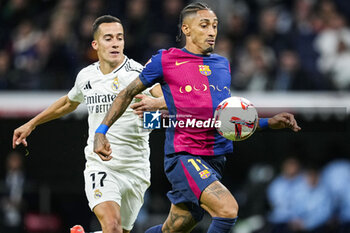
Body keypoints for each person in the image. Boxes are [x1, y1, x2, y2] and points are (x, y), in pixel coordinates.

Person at [94, 3, 301, 233]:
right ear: (186, 29)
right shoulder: (166, 60)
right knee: (228, 209)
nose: (212, 31)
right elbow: (127, 93)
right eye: (204, 25)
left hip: (215, 159)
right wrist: (101, 131)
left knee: (174, 228)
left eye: (214, 25)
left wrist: (267, 123)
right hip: (184, 156)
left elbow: (224, 117)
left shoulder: (222, 64)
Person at [12, 15, 165, 233]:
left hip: (136, 169)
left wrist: (156, 106)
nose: (115, 43)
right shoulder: (86, 76)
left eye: (119, 38)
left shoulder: (137, 74)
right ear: (95, 44)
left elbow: (167, 103)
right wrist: (32, 123)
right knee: (112, 227)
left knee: (120, 231)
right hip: (101, 165)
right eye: (108, 38)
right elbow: (68, 103)